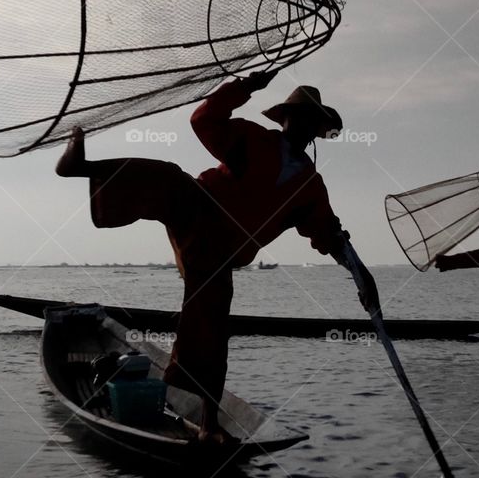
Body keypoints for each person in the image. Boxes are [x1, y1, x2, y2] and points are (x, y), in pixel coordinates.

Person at [56, 71, 380, 444]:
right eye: (299, 117)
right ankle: (83, 168)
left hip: (220, 251)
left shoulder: (310, 187)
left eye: (312, 121)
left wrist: (362, 274)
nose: (304, 126)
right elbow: (204, 120)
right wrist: (245, 87)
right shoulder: (253, 139)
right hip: (199, 206)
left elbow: (331, 235)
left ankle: (209, 420)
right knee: (169, 177)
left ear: (317, 129)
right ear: (286, 118)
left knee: (210, 322)